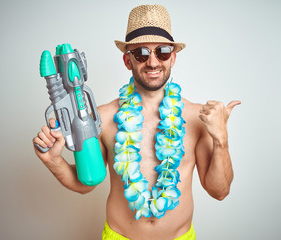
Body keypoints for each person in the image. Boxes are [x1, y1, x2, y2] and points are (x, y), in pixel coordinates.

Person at [33, 4, 240, 240]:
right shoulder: (103, 118)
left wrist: (221, 139)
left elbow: (219, 191)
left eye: (161, 51)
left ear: (173, 57)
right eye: (141, 53)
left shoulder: (197, 118)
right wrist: (52, 160)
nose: (152, 62)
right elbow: (86, 183)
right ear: (127, 60)